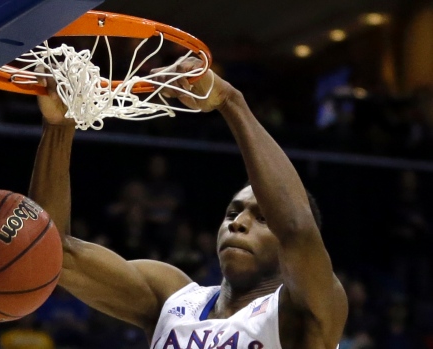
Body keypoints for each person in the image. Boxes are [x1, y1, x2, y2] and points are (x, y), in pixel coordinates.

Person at [28, 57, 348, 348]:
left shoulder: (308, 312)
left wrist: (230, 101)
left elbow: (296, 226)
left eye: (262, 219)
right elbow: (53, 252)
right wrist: (58, 126)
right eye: (232, 213)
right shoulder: (171, 296)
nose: (237, 222)